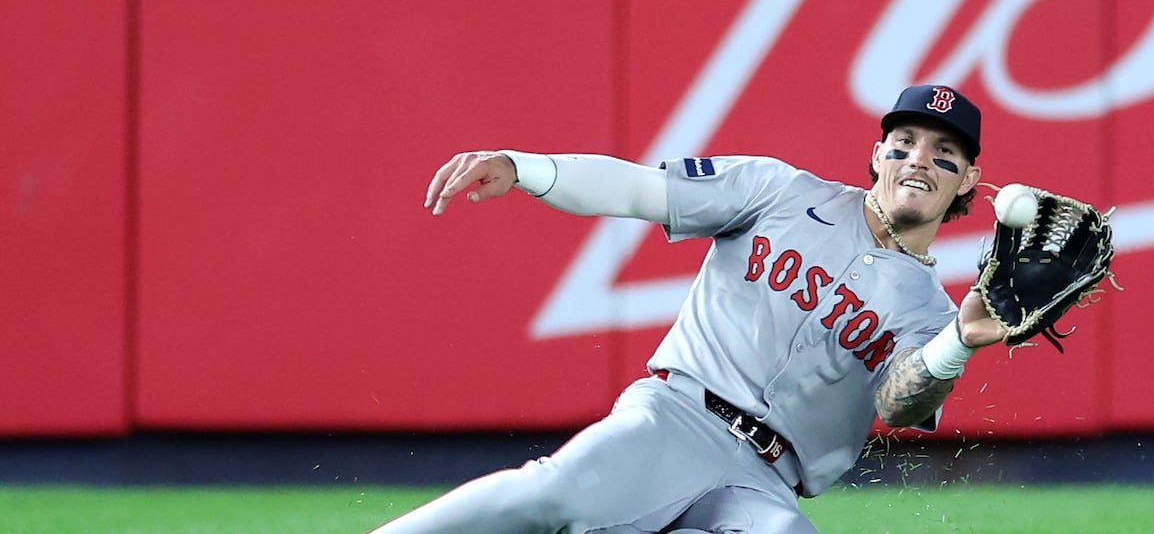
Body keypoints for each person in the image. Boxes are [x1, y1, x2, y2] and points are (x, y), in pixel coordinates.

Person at [374, 84, 1006, 533]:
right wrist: (525, 167)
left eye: (943, 150)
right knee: (549, 493)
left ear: (968, 180)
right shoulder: (779, 192)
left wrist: (957, 343)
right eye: (904, 141)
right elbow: (642, 188)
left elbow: (899, 403)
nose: (919, 158)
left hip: (762, 485)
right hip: (675, 421)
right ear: (877, 156)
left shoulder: (933, 312)